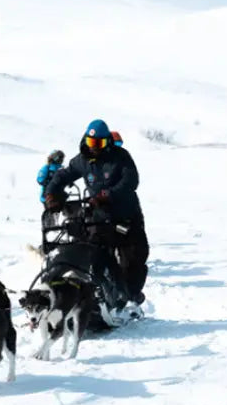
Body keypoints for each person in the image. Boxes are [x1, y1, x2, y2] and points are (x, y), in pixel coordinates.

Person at [44, 119, 149, 305]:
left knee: (134, 258)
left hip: (126, 215)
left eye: (99, 143)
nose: (95, 148)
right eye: (92, 143)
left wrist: (108, 195)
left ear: (107, 142)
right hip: (98, 217)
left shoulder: (120, 157)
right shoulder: (82, 160)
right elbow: (64, 174)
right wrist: (52, 193)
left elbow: (131, 181)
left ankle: (130, 296)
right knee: (93, 254)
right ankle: (93, 295)